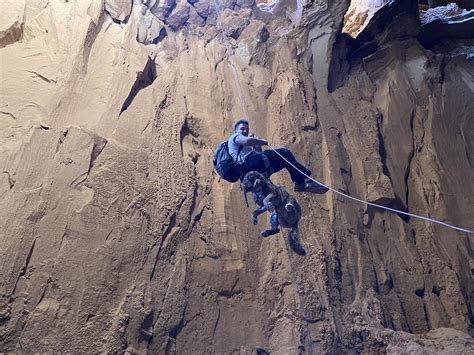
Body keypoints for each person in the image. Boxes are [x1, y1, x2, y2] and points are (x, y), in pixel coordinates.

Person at [228, 119, 328, 193]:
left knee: (284, 160)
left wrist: (257, 145)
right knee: (284, 152)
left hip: (255, 166)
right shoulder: (234, 137)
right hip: (248, 165)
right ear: (236, 130)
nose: (245, 131)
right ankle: (303, 182)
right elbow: (246, 141)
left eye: (247, 129)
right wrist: (262, 141)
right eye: (242, 129)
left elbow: (259, 154)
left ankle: (301, 183)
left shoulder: (245, 148)